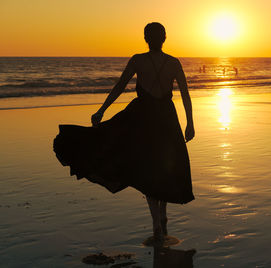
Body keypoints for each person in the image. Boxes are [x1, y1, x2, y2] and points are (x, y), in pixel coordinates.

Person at [53, 22, 195, 244]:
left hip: (143, 116)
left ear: (146, 38)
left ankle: (157, 222)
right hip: (166, 117)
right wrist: (190, 123)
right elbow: (185, 95)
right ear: (164, 38)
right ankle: (163, 217)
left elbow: (119, 87)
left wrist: (102, 110)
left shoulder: (138, 59)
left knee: (147, 166)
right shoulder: (173, 62)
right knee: (165, 163)